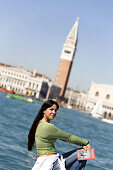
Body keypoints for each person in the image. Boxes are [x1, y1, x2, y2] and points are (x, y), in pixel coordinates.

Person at [28, 100, 91, 170]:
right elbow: (68, 137)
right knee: (87, 153)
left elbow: (64, 138)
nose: (54, 112)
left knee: (82, 156)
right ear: (44, 110)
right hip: (52, 163)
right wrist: (85, 142)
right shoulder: (48, 127)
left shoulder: (39, 124)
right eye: (51, 109)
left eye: (55, 110)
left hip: (43, 162)